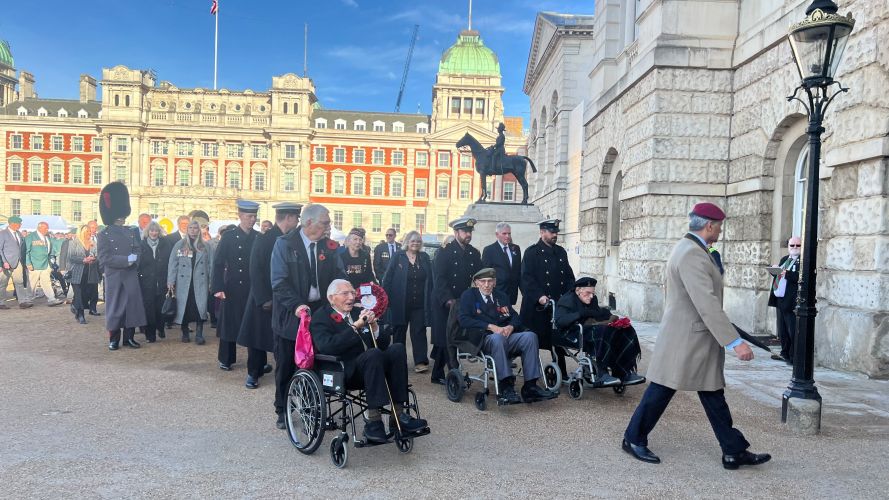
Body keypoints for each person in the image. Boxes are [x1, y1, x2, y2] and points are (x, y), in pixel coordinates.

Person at [622, 202, 771, 469]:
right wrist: (734, 342)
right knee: (662, 388)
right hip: (688, 338)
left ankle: (733, 450)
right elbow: (706, 302)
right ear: (709, 225)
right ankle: (633, 438)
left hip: (694, 336)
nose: (721, 231)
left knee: (712, 392)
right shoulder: (692, 253)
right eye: (719, 226)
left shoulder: (691, 248)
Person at [313, 279, 428, 443]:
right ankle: (373, 420)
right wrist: (356, 327)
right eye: (345, 293)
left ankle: (398, 415)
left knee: (397, 348)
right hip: (343, 369)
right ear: (331, 298)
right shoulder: (321, 317)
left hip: (372, 365)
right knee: (373, 354)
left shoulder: (358, 311)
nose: (351, 297)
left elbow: (383, 345)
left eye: (352, 293)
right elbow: (328, 347)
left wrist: (375, 327)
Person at [270, 203, 346, 429]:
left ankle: (312, 408)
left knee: (316, 363)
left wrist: (344, 295)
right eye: (325, 222)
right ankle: (282, 408)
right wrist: (297, 305)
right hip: (291, 314)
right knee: (286, 364)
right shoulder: (285, 244)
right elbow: (279, 281)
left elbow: (339, 276)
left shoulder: (329, 247)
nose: (328, 226)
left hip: (320, 314)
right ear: (309, 222)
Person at [457, 268, 557, 404]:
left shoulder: (501, 295)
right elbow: (463, 319)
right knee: (497, 338)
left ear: (494, 282)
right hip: (483, 339)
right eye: (483, 281)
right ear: (476, 282)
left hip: (505, 336)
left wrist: (511, 326)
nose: (486, 285)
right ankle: (506, 386)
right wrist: (490, 327)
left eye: (490, 281)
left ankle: (530, 387)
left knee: (530, 336)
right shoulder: (469, 295)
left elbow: (515, 316)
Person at [238, 202, 302, 389]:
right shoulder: (264, 239)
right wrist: (263, 298)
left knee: (282, 338)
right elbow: (255, 270)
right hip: (265, 297)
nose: (297, 222)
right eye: (296, 218)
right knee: (257, 338)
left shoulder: (293, 239)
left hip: (285, 298)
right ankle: (253, 372)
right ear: (288, 218)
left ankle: (287, 373)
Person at [554, 277, 644, 386]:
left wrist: (606, 315)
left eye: (593, 293)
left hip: (589, 329)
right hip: (573, 332)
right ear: (578, 290)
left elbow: (595, 314)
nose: (591, 296)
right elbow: (560, 321)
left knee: (625, 329)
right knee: (603, 332)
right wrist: (579, 314)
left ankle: (624, 372)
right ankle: (602, 373)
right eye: (588, 293)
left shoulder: (592, 299)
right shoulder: (567, 300)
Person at [430, 217, 483, 385]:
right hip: (445, 301)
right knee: (444, 337)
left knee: (453, 336)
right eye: (465, 231)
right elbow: (439, 279)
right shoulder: (444, 252)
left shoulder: (473, 253)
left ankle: (441, 373)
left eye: (470, 231)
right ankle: (450, 372)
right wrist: (448, 300)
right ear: (456, 232)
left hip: (463, 301)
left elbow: (478, 278)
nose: (468, 234)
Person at [520, 219, 575, 376]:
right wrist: (540, 296)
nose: (555, 235)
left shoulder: (561, 252)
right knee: (533, 341)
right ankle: (531, 374)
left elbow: (569, 277)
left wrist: (572, 293)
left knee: (557, 339)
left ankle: (561, 372)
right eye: (551, 232)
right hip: (537, 307)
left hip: (557, 304)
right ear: (542, 232)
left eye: (556, 232)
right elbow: (526, 279)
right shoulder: (532, 252)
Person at [97, 182, 147, 351]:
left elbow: (138, 249)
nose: (122, 218)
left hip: (130, 274)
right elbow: (104, 257)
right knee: (115, 309)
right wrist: (126, 260)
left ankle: (129, 337)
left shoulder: (130, 232)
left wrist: (135, 259)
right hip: (115, 275)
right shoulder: (104, 234)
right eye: (120, 216)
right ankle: (114, 339)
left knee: (132, 307)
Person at [212, 200, 260, 371]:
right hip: (232, 286)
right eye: (249, 216)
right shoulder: (229, 236)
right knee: (229, 324)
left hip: (252, 288)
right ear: (240, 216)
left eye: (254, 216)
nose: (252, 220)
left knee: (254, 325)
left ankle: (257, 361)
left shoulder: (258, 237)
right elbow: (218, 263)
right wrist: (218, 287)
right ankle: (226, 358)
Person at [382, 230, 433, 373]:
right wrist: (386, 299)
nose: (415, 243)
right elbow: (387, 278)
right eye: (413, 241)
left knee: (419, 332)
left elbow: (431, 279)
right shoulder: (398, 256)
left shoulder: (424, 257)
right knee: (399, 332)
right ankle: (398, 362)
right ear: (407, 242)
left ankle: (420, 361)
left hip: (419, 303)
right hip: (399, 302)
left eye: (418, 241)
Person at [168, 219, 212, 344]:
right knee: (184, 307)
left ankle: (199, 334)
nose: (193, 231)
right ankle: (185, 332)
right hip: (183, 282)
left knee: (200, 308)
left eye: (195, 228)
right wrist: (170, 280)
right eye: (191, 228)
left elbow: (211, 265)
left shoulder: (206, 246)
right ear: (187, 230)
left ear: (199, 230)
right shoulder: (180, 245)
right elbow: (173, 264)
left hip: (200, 282)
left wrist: (211, 282)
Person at [768, 236, 800, 365]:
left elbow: (800, 278)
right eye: (792, 245)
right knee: (782, 330)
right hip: (780, 299)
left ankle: (793, 356)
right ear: (788, 246)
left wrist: (787, 274)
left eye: (798, 245)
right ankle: (784, 353)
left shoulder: (802, 261)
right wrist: (774, 270)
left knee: (792, 330)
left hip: (792, 300)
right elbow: (778, 275)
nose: (795, 248)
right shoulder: (785, 259)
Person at [138, 221, 172, 342]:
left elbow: (169, 262)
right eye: (152, 230)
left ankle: (160, 327)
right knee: (149, 309)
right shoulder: (141, 245)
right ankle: (150, 334)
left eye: (156, 230)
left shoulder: (165, 244)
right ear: (148, 232)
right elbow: (138, 263)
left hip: (162, 281)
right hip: (146, 282)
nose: (154, 233)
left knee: (161, 308)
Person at [481, 222, 521, 305]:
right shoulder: (489, 250)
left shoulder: (515, 248)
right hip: (497, 293)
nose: (507, 236)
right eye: (504, 233)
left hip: (512, 294)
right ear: (497, 234)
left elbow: (518, 271)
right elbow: (486, 273)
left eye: (509, 233)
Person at [24, 221, 63, 306]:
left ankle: (51, 299)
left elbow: (49, 251)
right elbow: (26, 251)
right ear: (39, 227)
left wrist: (50, 263)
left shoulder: (47, 237)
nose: (47, 230)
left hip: (46, 264)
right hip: (34, 264)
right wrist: (28, 263)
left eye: (47, 228)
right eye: (45, 228)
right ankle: (28, 299)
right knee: (32, 283)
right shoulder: (30, 237)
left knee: (47, 282)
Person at [67, 225, 100, 324]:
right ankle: (81, 315)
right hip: (76, 273)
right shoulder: (73, 243)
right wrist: (83, 260)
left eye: (89, 231)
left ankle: (76, 308)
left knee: (85, 294)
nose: (89, 233)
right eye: (86, 231)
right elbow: (71, 257)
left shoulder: (93, 243)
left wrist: (93, 258)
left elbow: (97, 255)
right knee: (79, 294)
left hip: (89, 273)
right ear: (81, 232)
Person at [0, 216, 33, 309]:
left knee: (19, 282)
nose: (20, 225)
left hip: (18, 262)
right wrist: (4, 262)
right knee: (3, 284)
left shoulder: (19, 233)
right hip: (6, 263)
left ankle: (22, 301)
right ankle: (1, 302)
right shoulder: (2, 234)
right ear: (12, 224)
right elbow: (0, 249)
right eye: (19, 223)